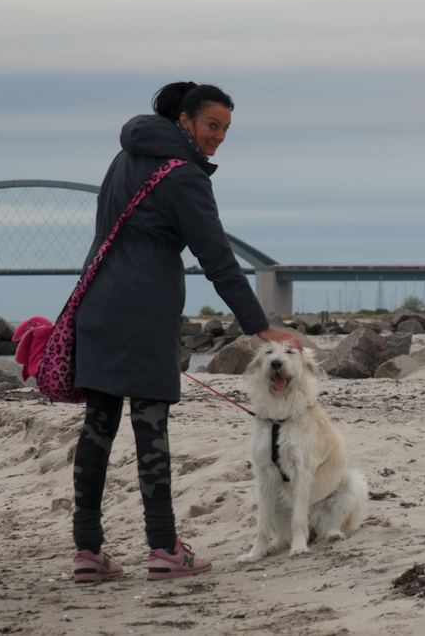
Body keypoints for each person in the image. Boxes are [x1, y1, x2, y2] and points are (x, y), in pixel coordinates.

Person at [70, 81, 302, 583]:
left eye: (225, 129)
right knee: (149, 425)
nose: (218, 137)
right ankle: (164, 547)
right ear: (185, 121)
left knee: (98, 425)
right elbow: (217, 257)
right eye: (211, 125)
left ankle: (87, 550)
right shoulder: (184, 176)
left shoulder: (123, 158)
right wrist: (259, 325)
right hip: (143, 310)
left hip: (97, 300)